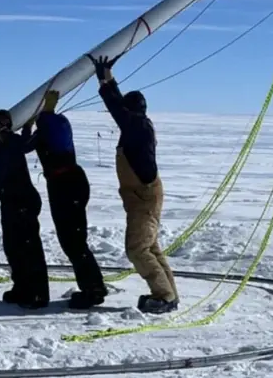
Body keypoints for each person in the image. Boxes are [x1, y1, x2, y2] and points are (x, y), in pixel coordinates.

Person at [91, 54, 180, 314]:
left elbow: (115, 106)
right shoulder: (138, 124)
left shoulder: (136, 126)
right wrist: (107, 75)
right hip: (144, 196)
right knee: (150, 247)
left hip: (143, 197)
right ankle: (169, 295)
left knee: (137, 249)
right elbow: (120, 105)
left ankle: (164, 297)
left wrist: (104, 78)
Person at [22, 90, 108, 309]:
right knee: (75, 239)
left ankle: (93, 289)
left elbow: (24, 147)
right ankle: (93, 286)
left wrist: (27, 126)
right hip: (74, 182)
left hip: (64, 186)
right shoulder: (61, 124)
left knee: (73, 241)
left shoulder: (46, 130)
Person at [0, 109, 49, 309]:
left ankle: (36, 294)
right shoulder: (12, 143)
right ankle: (22, 288)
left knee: (27, 249)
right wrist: (27, 127)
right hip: (14, 203)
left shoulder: (5, 148)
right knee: (13, 248)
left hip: (20, 203)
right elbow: (27, 143)